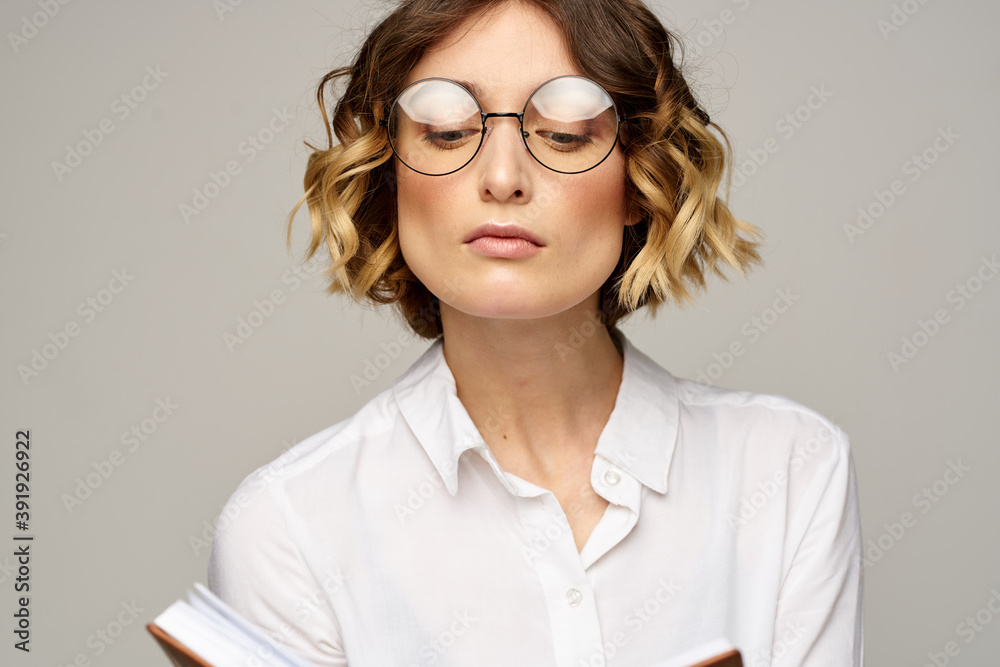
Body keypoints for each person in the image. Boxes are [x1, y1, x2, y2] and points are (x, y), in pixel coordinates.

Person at [207, 0, 864, 665]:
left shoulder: (790, 471)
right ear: (391, 171)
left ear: (639, 177)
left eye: (564, 131)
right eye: (444, 128)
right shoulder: (287, 526)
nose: (502, 178)